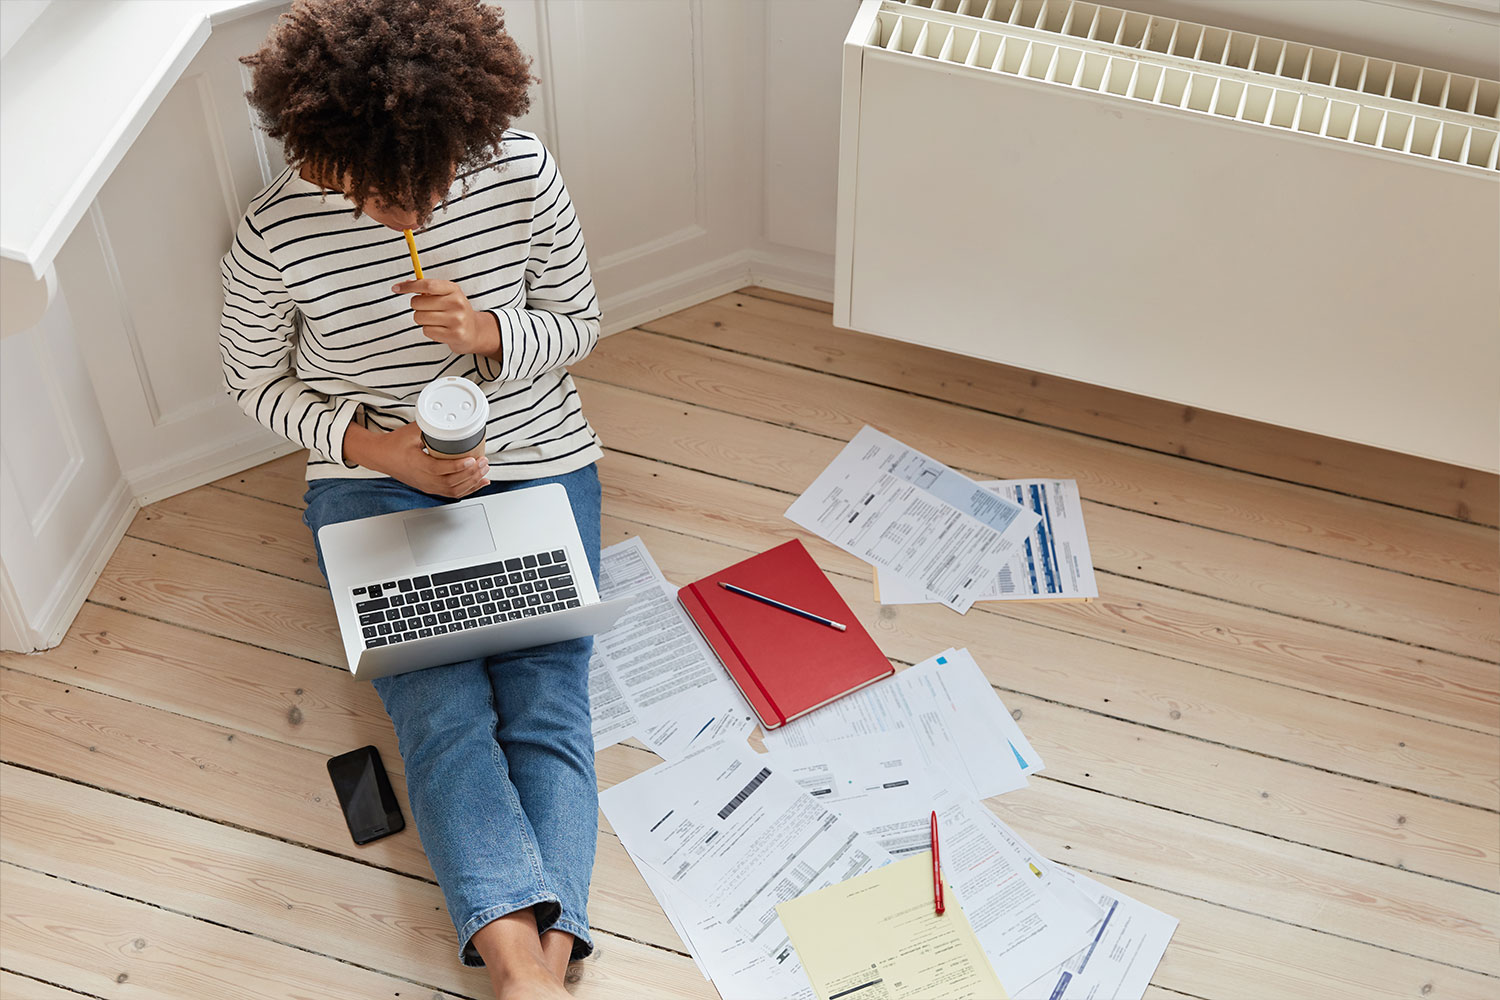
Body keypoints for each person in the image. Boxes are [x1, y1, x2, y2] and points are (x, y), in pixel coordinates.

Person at [221, 3, 601, 997]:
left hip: (533, 449)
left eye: (424, 187)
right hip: (371, 474)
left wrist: (487, 333)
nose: (407, 215)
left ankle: (538, 972)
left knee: (546, 700)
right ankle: (528, 972)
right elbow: (256, 385)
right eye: (375, 192)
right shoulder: (273, 234)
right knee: (437, 713)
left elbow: (578, 322)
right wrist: (383, 451)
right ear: (319, 147)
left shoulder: (518, 170)